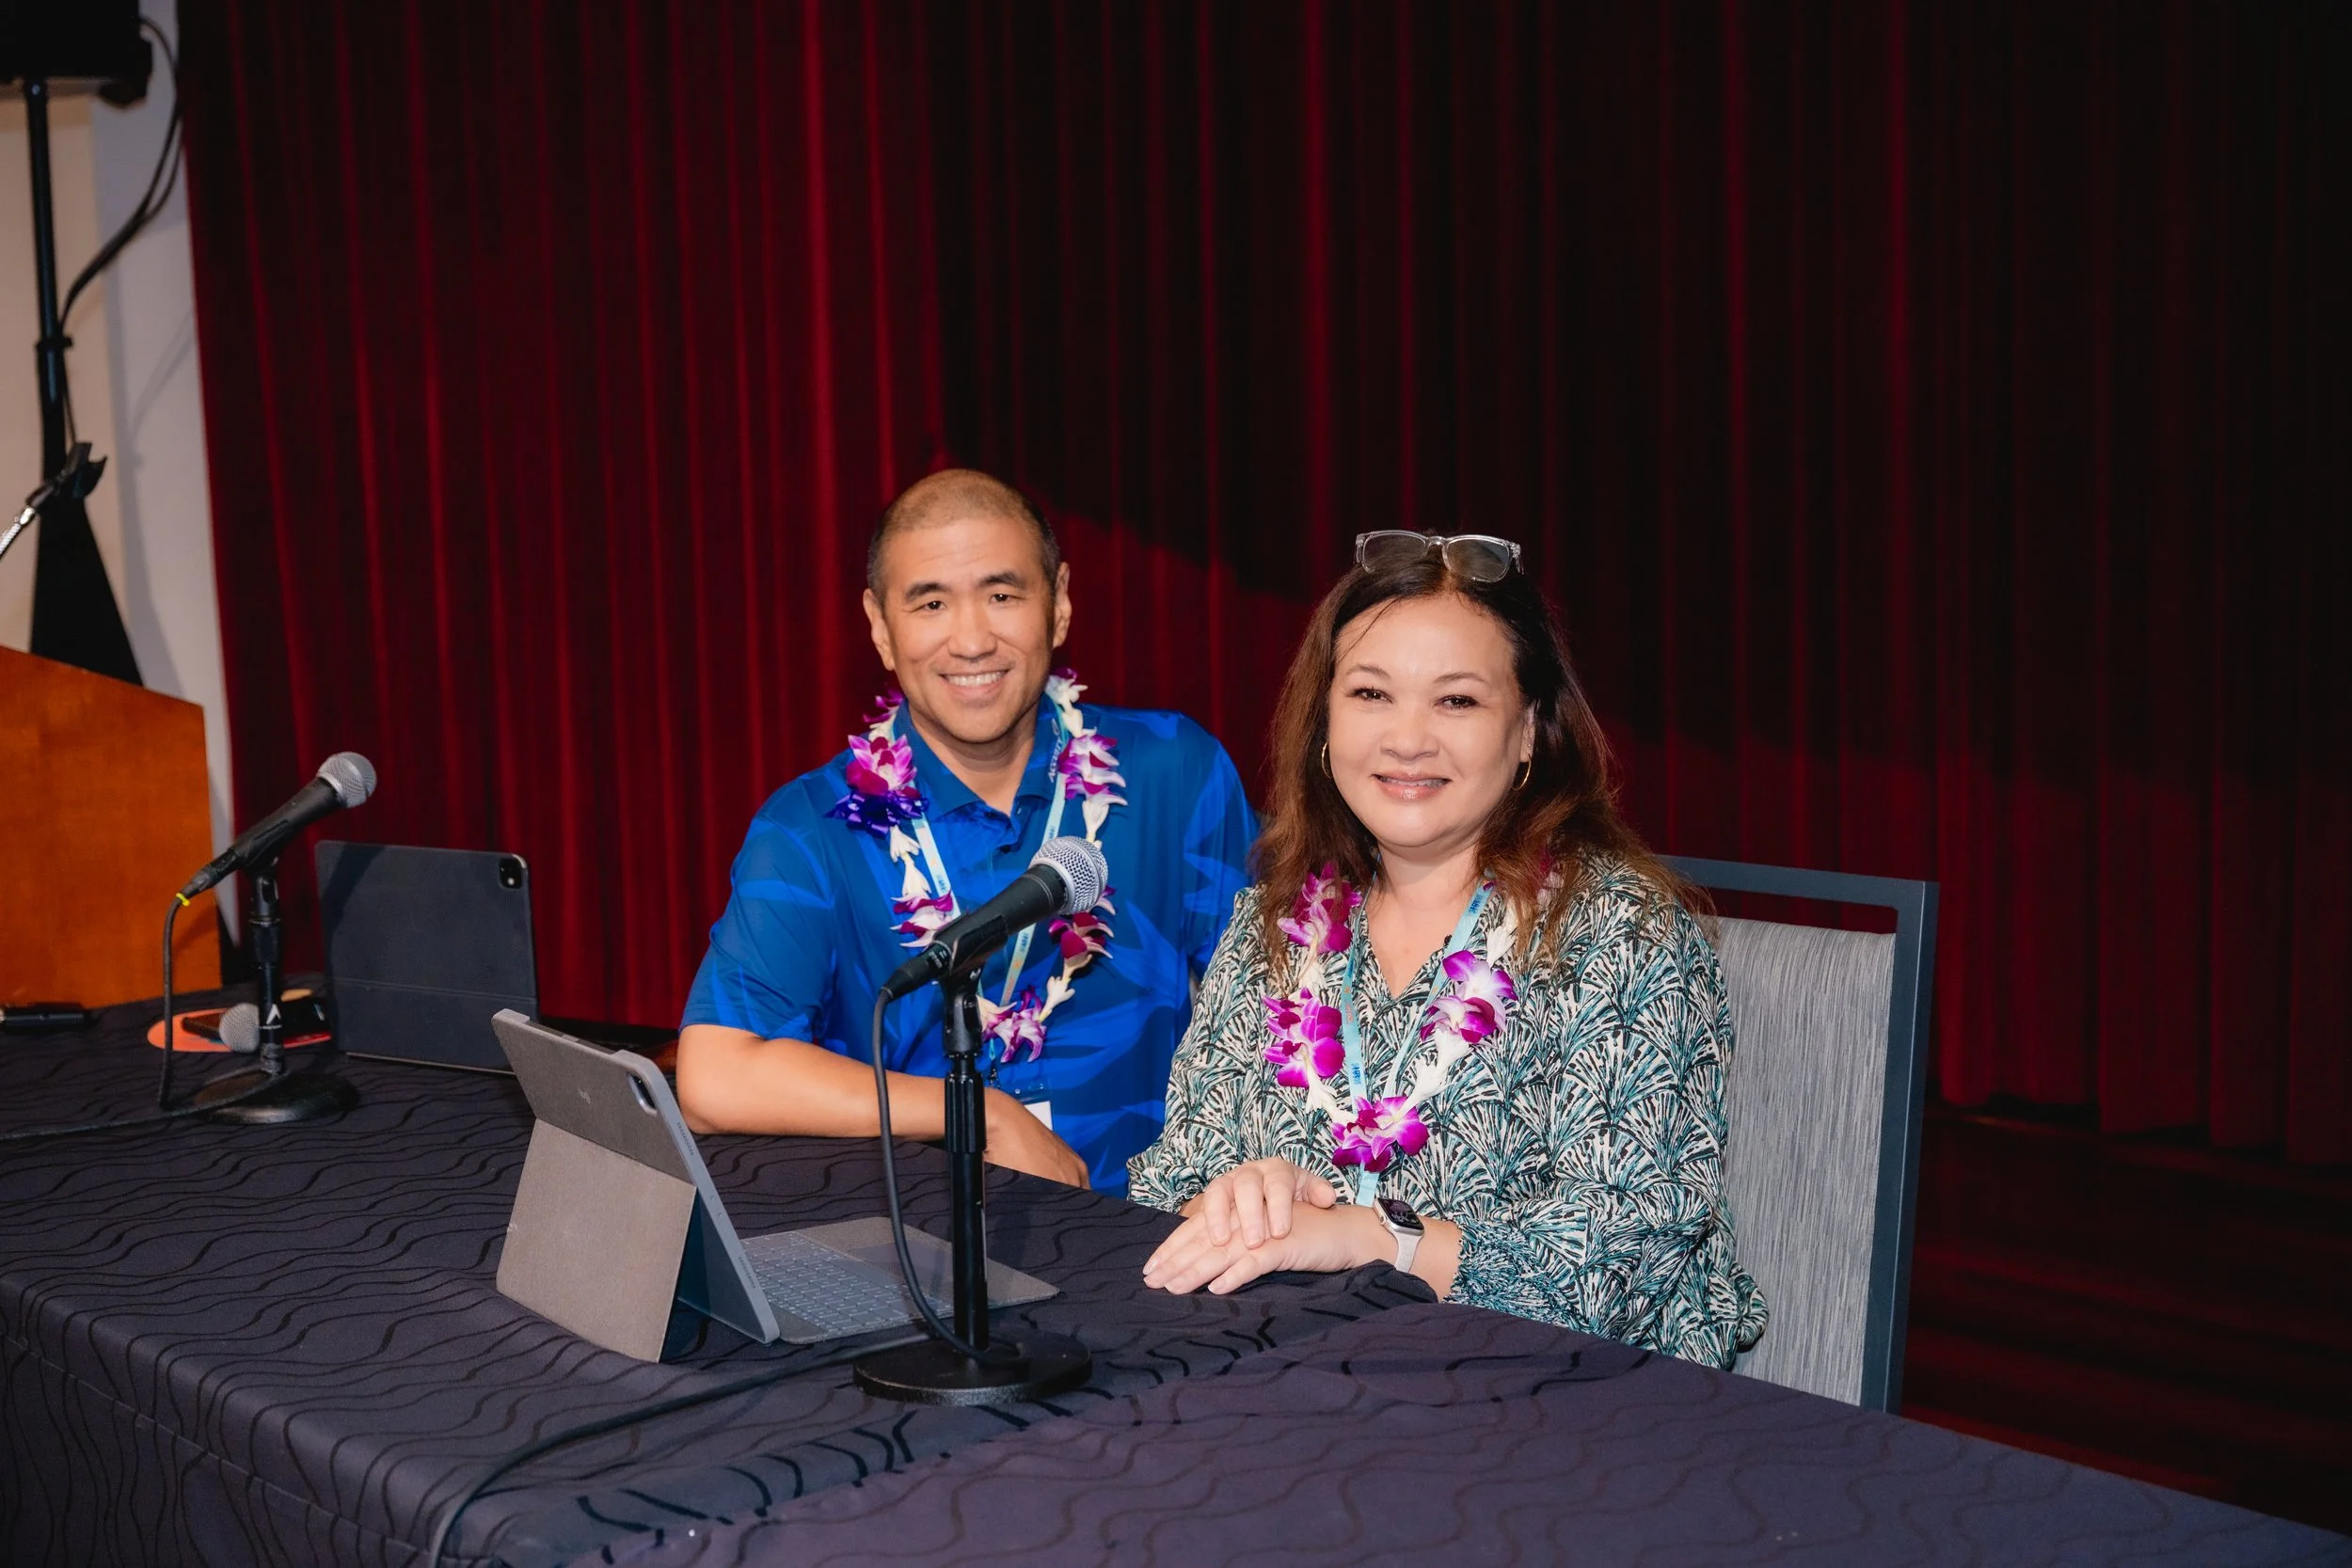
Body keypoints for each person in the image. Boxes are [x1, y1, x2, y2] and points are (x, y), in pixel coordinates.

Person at [1128, 531, 1767, 1366]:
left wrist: (1371, 1237)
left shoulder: (1624, 935)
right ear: (1325, 722)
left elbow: (1612, 1269)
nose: (1408, 739)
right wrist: (1241, 1196)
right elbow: (1165, 1184)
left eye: (1456, 701)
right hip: (1297, 1375)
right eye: (1370, 693)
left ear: (1529, 730)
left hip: (1569, 1399)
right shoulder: (1271, 928)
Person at [676, 469, 1257, 1194]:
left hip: (1158, 1230)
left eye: (1002, 595)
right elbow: (716, 1074)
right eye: (931, 603)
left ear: (1060, 603)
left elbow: (1280, 1013)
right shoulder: (812, 829)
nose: (973, 639)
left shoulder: (1175, 772)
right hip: (926, 1240)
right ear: (880, 627)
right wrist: (976, 1113)